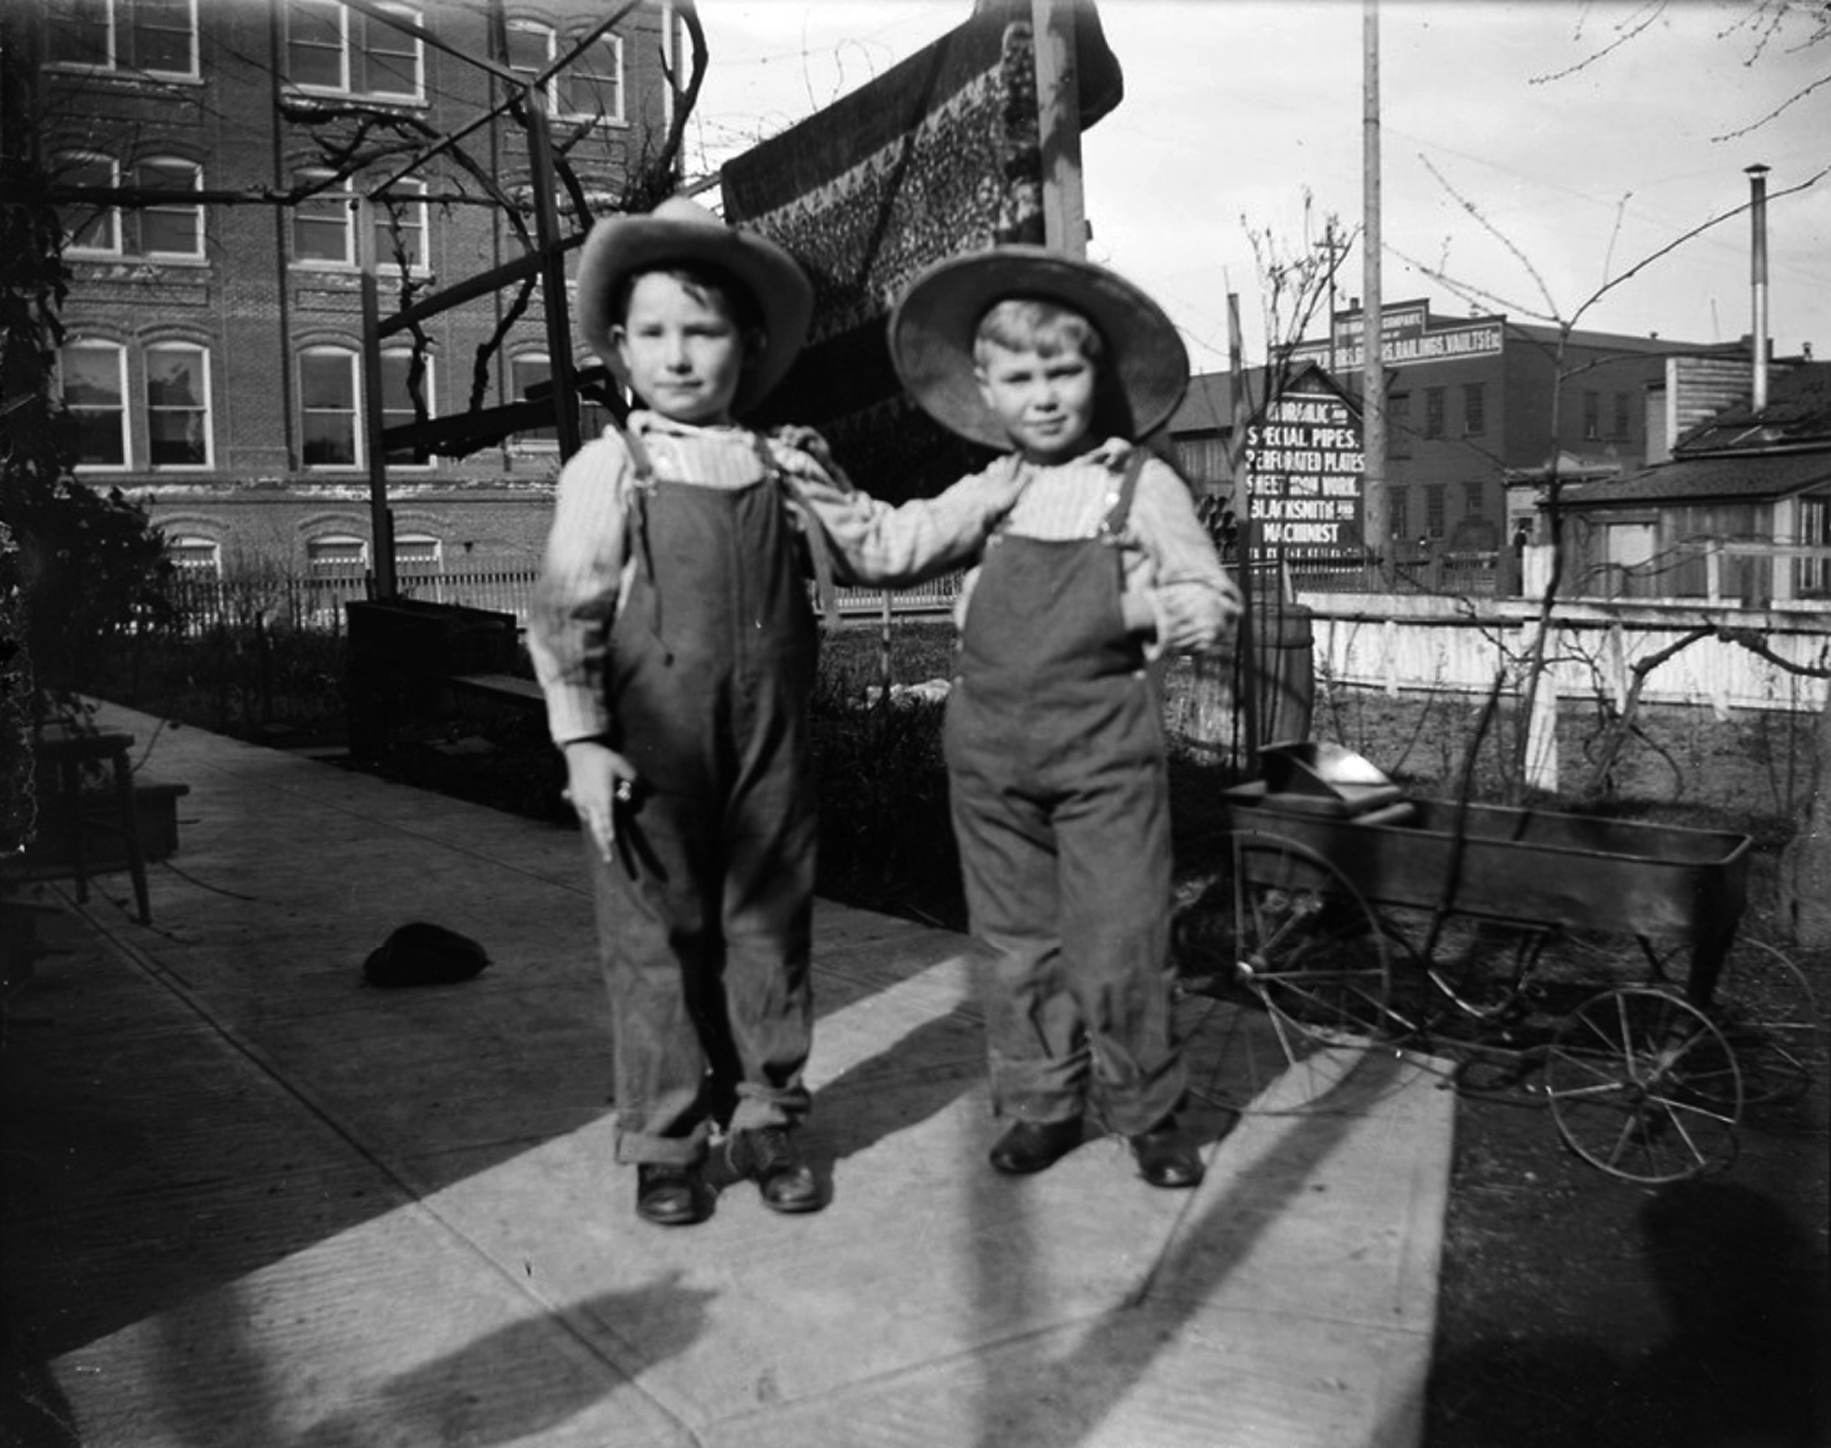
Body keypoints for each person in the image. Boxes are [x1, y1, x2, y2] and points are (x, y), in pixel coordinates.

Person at [529, 198, 1026, 1227]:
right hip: (646, 751)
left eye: (703, 330)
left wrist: (1000, 486)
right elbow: (567, 611)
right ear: (620, 345)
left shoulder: (784, 464)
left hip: (768, 749)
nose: (678, 354)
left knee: (767, 932)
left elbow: (883, 545)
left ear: (748, 346)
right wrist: (580, 740)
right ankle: (666, 1140)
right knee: (655, 943)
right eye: (654, 332)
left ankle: (765, 1116)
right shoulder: (612, 467)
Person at [888, 245, 1243, 1189]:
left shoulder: (1139, 485)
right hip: (991, 757)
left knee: (1119, 941)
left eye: (1062, 373)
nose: (1043, 397)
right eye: (1019, 378)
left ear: (1097, 377)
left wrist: (1134, 609)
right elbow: (899, 546)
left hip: (1103, 758)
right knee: (1015, 948)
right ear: (986, 390)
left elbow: (1208, 596)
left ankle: (1147, 1111)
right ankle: (1043, 1104)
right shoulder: (993, 490)